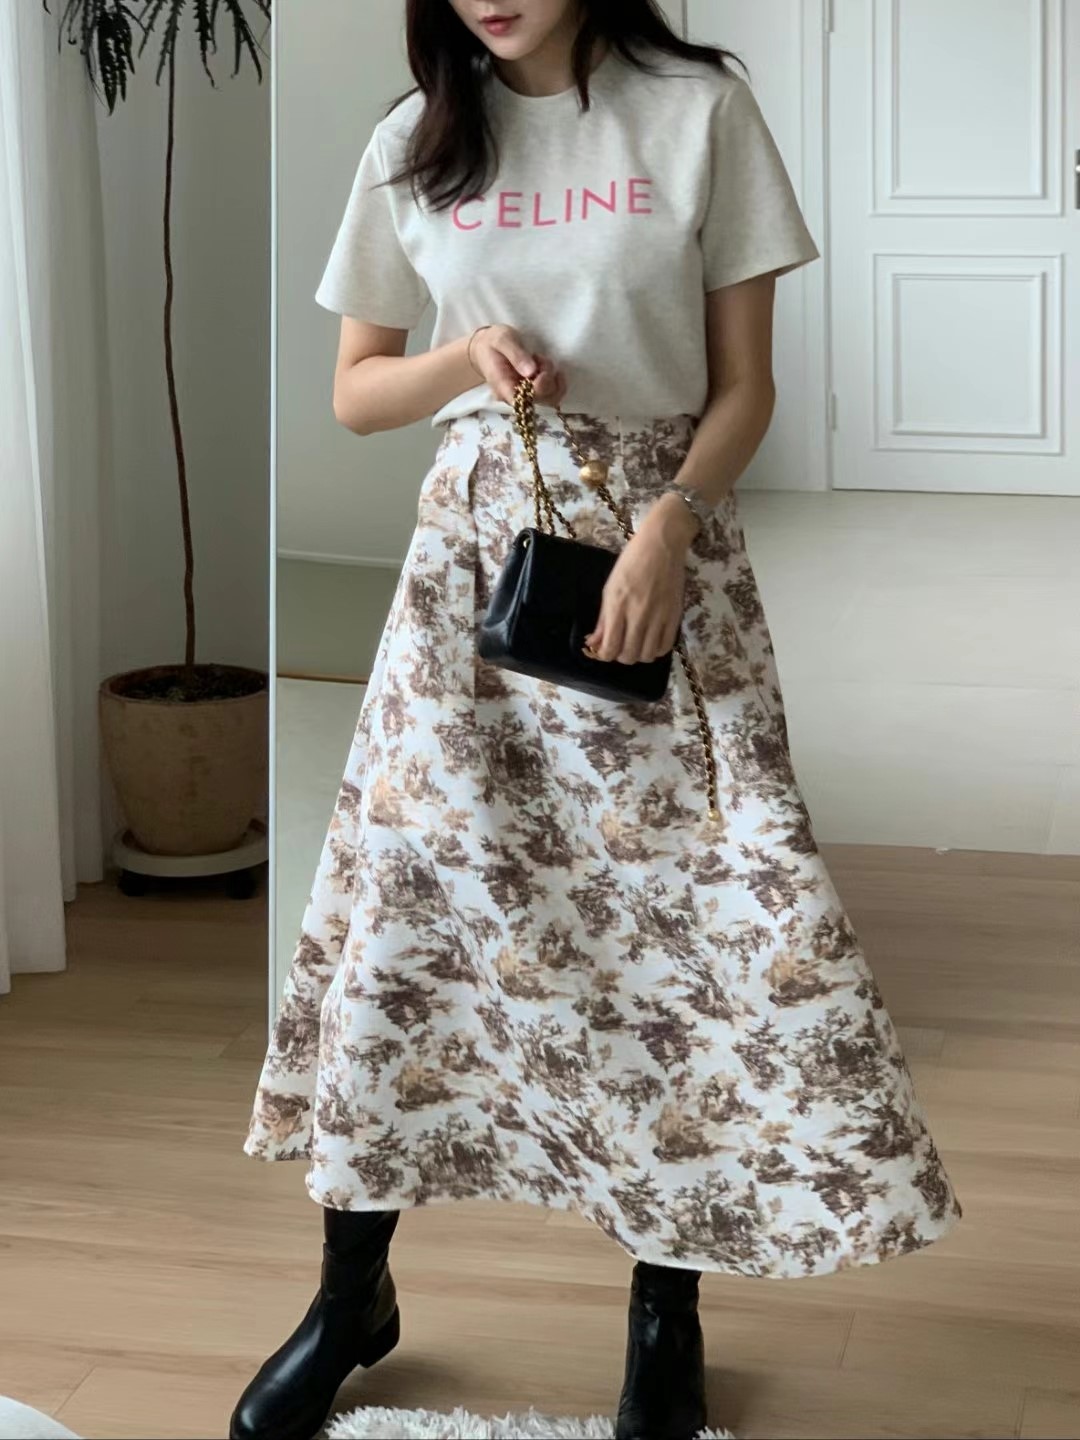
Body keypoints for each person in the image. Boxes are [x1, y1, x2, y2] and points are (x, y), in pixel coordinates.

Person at [231, 2, 963, 1438]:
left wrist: (668, 530)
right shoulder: (414, 138)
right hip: (468, 577)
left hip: (658, 560)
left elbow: (745, 387)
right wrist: (468, 357)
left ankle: (664, 1310)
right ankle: (350, 1294)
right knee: (409, 920)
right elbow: (359, 393)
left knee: (679, 930)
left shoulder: (699, 112)